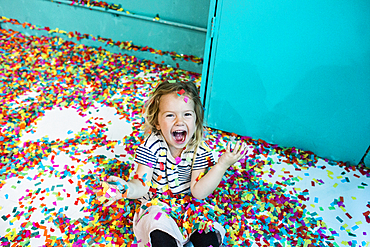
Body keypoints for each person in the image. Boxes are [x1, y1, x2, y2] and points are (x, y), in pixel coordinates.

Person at [97, 80, 247, 247]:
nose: (179, 121)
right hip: (158, 204)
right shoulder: (151, 145)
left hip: (191, 204)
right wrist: (127, 188)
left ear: (196, 119)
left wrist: (222, 165)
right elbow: (141, 183)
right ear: (157, 123)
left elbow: (198, 192)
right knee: (159, 231)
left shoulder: (199, 149)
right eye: (170, 115)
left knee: (207, 234)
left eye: (187, 114)